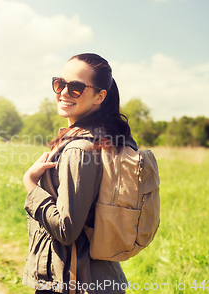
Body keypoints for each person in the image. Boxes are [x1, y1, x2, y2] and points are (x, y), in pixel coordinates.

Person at [22, 53, 137, 294]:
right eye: (59, 83)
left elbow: (67, 230)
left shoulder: (80, 149)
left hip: (72, 282)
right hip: (100, 277)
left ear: (100, 96)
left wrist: (31, 183)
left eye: (76, 87)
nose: (63, 92)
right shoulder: (108, 138)